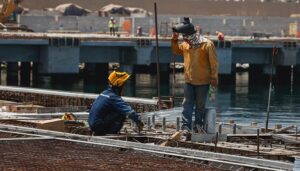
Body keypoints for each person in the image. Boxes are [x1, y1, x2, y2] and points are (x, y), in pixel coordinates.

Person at [171, 17, 219, 135]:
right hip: (189, 80)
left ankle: (198, 126)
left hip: (203, 81)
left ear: (189, 34)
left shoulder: (207, 44)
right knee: (187, 104)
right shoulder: (186, 45)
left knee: (200, 106)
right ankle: (186, 127)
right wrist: (174, 40)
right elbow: (176, 51)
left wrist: (213, 78)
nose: (184, 38)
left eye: (184, 35)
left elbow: (214, 63)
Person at [88, 71, 144, 135]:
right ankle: (111, 133)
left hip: (93, 125)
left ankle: (104, 131)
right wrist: (139, 122)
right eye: (124, 85)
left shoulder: (104, 93)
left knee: (117, 110)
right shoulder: (113, 97)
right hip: (99, 126)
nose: (124, 87)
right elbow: (130, 112)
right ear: (119, 85)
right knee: (121, 112)